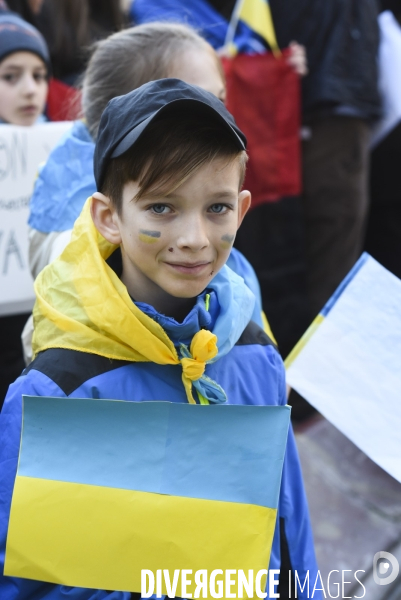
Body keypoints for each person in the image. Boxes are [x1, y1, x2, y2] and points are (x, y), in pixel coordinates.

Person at [0, 78, 320, 600]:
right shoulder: (61, 390)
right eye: (161, 208)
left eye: (216, 208)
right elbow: (29, 584)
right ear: (109, 218)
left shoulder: (255, 355)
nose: (194, 238)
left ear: (241, 211)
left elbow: (290, 535)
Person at [23, 22, 273, 364]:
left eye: (220, 99)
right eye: (191, 101)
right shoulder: (77, 253)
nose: (218, 117)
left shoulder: (224, 264)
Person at [0, 12, 49, 406]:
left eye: (39, 75)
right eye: (10, 77)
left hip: (39, 319)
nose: (30, 90)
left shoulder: (63, 147)